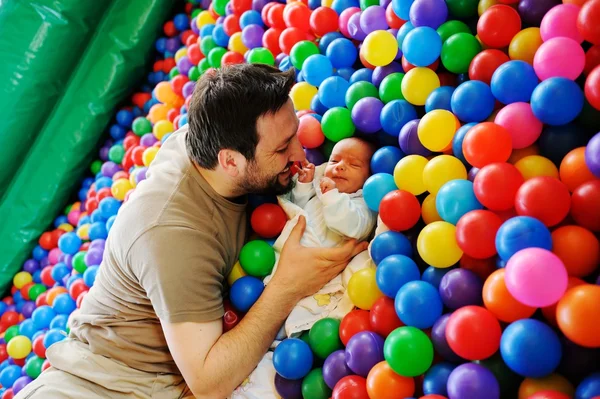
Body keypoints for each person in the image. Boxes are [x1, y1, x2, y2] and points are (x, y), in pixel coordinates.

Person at [15, 64, 367, 399]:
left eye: (296, 133)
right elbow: (209, 383)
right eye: (282, 148)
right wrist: (286, 287)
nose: (300, 152)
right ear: (230, 161)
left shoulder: (217, 134)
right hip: (106, 385)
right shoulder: (173, 233)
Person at [231, 137, 378, 399]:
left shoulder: (360, 205)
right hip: (283, 264)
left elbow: (354, 226)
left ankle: (275, 355)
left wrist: (331, 195)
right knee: (263, 313)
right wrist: (306, 185)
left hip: (317, 280)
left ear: (368, 177)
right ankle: (253, 361)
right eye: (334, 160)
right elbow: (299, 207)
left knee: (297, 323)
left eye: (353, 164)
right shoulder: (322, 189)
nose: (340, 167)